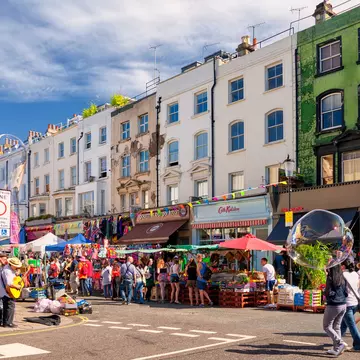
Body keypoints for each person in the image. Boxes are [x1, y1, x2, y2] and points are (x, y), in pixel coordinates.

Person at [323, 264, 348, 356]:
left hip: (334, 305)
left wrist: (324, 291)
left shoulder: (330, 278)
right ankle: (337, 349)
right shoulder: (342, 278)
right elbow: (346, 292)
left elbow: (328, 293)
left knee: (327, 326)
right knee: (336, 326)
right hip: (343, 304)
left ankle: (340, 343)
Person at [340, 259, 360, 351]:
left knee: (351, 325)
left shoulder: (343, 274)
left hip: (347, 303)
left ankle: (358, 345)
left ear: (343, 266)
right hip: (355, 302)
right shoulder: (355, 274)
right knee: (344, 323)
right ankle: (338, 340)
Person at [0, 257, 23, 328]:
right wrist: (18, 287)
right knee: (10, 306)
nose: (17, 267)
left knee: (7, 306)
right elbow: (10, 283)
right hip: (7, 292)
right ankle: (8, 323)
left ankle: (5, 322)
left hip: (5, 291)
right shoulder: (8, 271)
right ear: (12, 265)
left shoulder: (8, 268)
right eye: (16, 266)